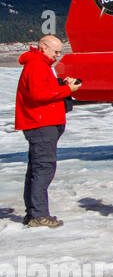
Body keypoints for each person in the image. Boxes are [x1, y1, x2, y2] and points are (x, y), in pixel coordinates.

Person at [15, 35, 80, 227]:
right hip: (41, 123)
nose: (58, 56)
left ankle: (34, 212)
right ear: (43, 48)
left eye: (60, 52)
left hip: (42, 123)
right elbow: (38, 94)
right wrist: (67, 90)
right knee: (43, 168)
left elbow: (43, 88)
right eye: (55, 51)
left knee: (37, 168)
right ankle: (38, 214)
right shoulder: (36, 64)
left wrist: (60, 83)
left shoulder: (40, 64)